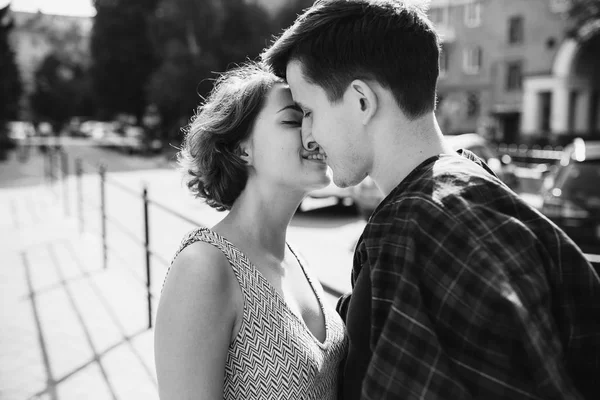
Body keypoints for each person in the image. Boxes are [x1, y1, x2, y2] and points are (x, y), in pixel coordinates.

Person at [261, 0, 600, 399]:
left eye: (309, 111)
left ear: (361, 102)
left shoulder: (413, 227)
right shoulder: (485, 193)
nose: (308, 136)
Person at [154, 62, 347, 400]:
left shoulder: (295, 259)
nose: (313, 134)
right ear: (243, 149)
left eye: (313, 117)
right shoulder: (204, 267)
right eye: (292, 120)